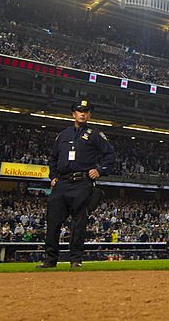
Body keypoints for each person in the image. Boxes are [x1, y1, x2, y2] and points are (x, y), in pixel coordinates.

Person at [37, 99, 116, 270]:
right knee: (53, 222)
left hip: (82, 182)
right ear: (73, 114)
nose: (83, 114)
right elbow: (53, 158)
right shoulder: (63, 135)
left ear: (89, 115)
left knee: (78, 223)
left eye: (86, 111)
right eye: (80, 111)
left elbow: (110, 155)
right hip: (62, 182)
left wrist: (100, 170)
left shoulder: (95, 134)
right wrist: (53, 176)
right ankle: (50, 260)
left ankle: (75, 259)